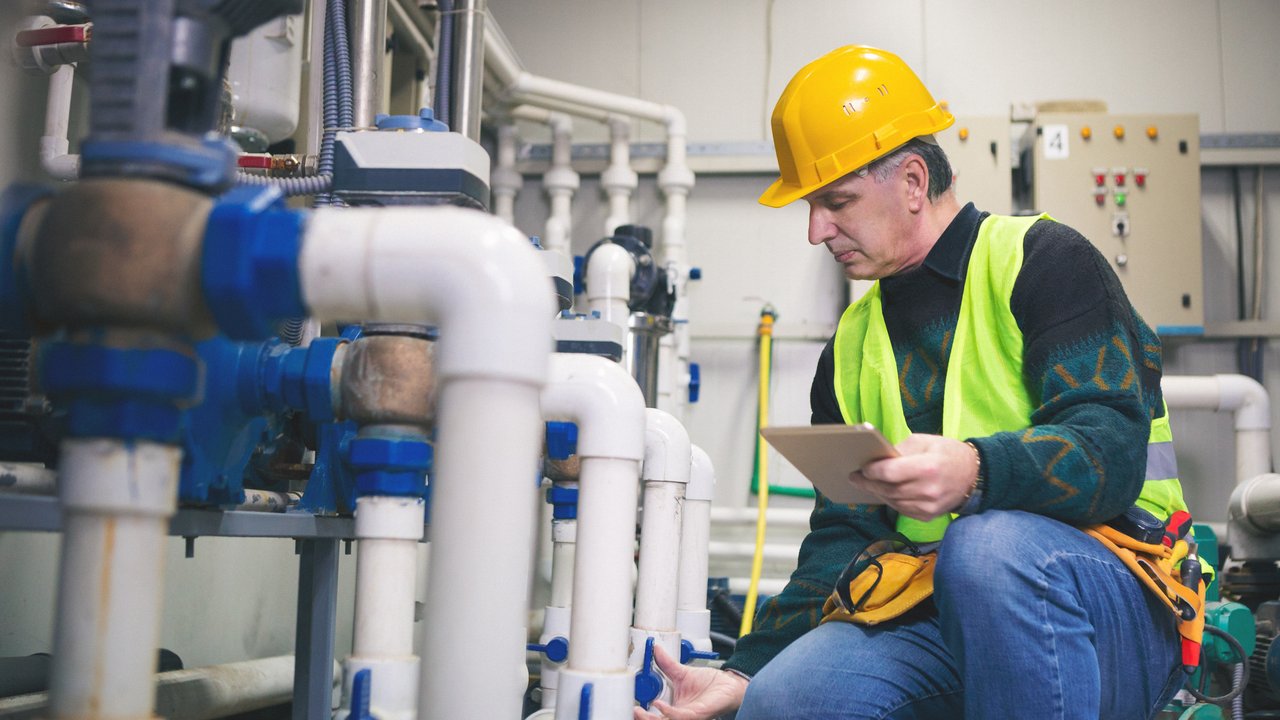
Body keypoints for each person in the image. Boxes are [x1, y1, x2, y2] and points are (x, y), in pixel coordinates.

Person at [636, 45, 1197, 720]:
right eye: (811, 207)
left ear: (910, 180)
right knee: (788, 700)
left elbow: (1110, 452)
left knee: (985, 547)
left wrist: (977, 472)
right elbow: (842, 539)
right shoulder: (848, 348)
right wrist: (746, 670)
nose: (817, 231)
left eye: (836, 202)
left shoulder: (1045, 264)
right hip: (946, 608)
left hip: (1120, 599)